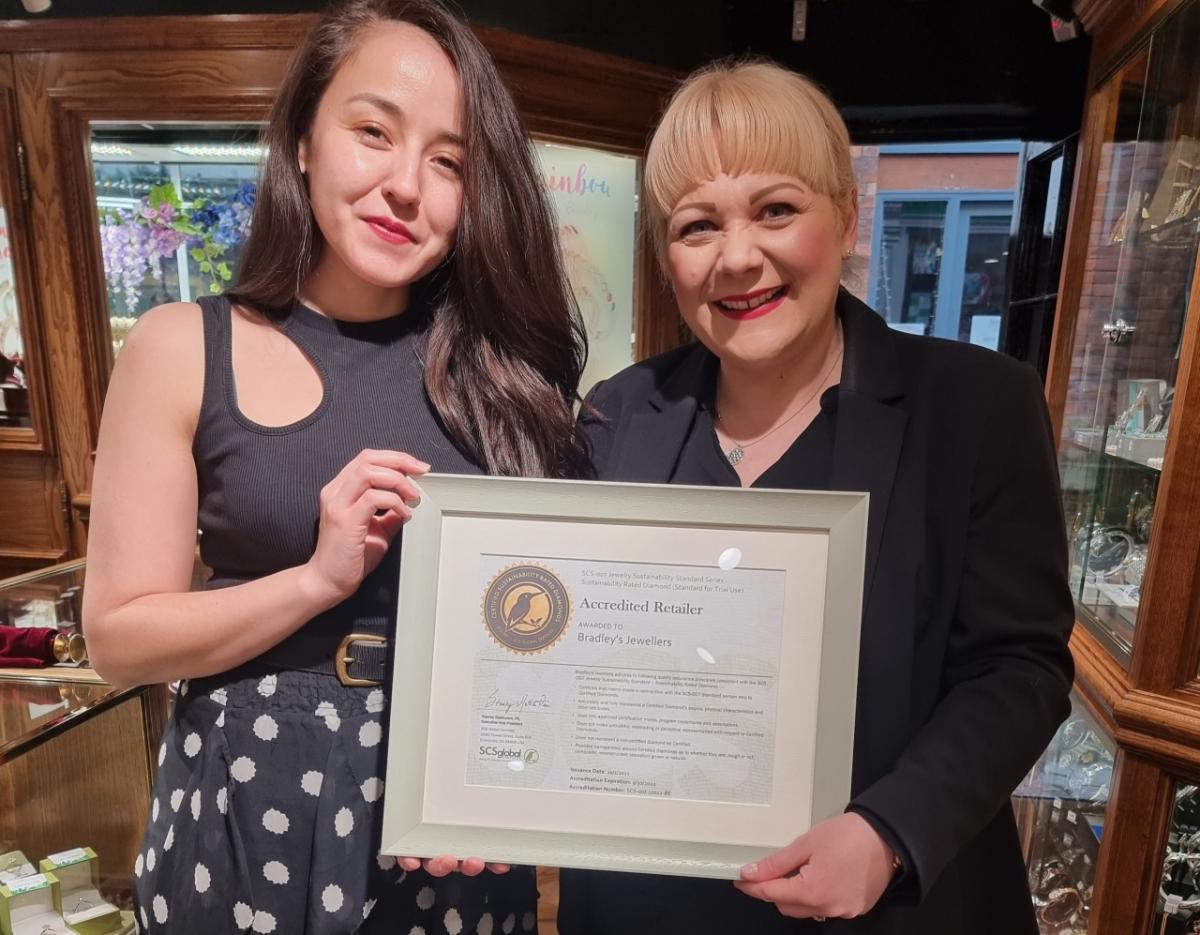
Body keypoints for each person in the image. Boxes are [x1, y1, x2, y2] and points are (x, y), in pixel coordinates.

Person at [82, 2, 586, 932]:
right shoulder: (186, 345)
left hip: (447, 823)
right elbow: (118, 636)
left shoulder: (509, 375)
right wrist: (314, 578)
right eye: (373, 132)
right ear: (304, 139)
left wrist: (525, 767)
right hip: (247, 799)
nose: (407, 186)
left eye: (450, 162)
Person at [558, 60, 1075, 934]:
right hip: (653, 905)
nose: (738, 257)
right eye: (697, 225)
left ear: (848, 214)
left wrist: (886, 832)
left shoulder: (978, 406)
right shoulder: (616, 416)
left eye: (776, 210)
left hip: (893, 903)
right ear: (667, 256)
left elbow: (1020, 666)